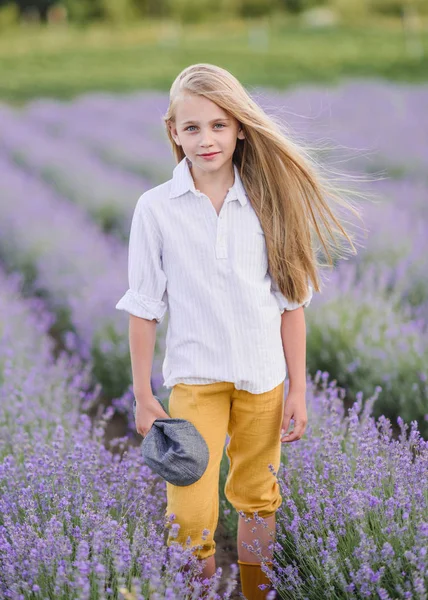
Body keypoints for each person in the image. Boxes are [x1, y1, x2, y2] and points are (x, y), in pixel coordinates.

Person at [115, 63, 363, 599]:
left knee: (258, 501)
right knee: (188, 515)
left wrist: (298, 387)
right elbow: (143, 308)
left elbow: (291, 304)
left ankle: (257, 594)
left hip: (262, 381)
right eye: (193, 128)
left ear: (241, 128)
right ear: (173, 133)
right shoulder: (156, 208)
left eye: (219, 125)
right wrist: (142, 394)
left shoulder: (268, 202)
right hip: (195, 383)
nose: (206, 139)